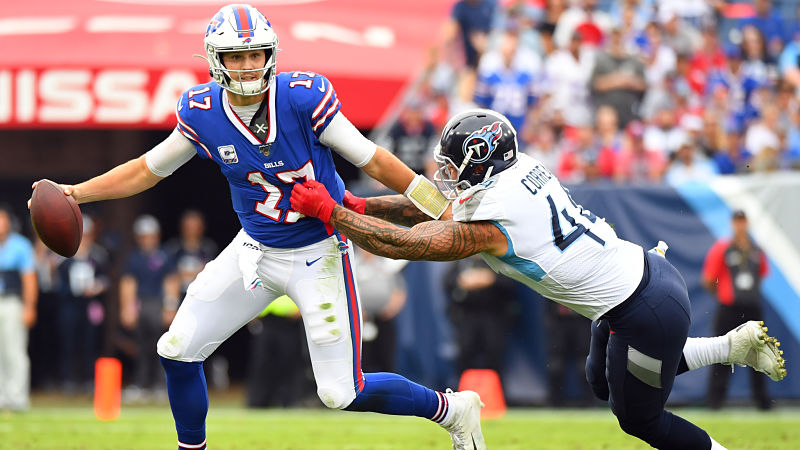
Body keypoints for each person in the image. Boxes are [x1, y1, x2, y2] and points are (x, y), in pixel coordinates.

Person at [30, 5, 483, 450]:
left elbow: (373, 159)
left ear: (270, 54)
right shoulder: (202, 110)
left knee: (341, 392)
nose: (247, 65)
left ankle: (451, 410)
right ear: (216, 60)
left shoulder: (303, 97)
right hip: (254, 250)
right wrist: (77, 193)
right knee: (177, 349)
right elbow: (148, 170)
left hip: (319, 252)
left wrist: (437, 204)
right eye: (236, 56)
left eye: (255, 54)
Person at [290, 108, 787, 450]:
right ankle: (729, 347)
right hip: (638, 282)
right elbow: (432, 209)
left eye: (453, 165)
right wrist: (358, 205)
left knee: (639, 419)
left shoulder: (495, 221)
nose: (445, 173)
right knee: (602, 382)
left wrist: (334, 214)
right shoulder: (516, 172)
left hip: (643, 309)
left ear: (482, 163)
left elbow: (412, 242)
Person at [702, 210, 772, 410]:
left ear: (747, 223)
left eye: (743, 221)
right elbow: (708, 279)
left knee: (759, 354)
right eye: (737, 222)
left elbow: (763, 274)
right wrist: (722, 295)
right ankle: (715, 402)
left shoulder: (756, 250)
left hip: (752, 308)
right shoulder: (722, 248)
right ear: (732, 223)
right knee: (722, 353)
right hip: (729, 308)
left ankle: (763, 402)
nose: (740, 226)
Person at [120, 214, 178, 401]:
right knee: (141, 346)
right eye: (144, 236)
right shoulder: (134, 258)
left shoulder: (164, 256)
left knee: (161, 345)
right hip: (141, 303)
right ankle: (141, 384)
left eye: (151, 235)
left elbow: (171, 281)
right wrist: (127, 308)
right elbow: (128, 283)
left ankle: (161, 384)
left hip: (158, 303)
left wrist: (170, 307)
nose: (148, 240)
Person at [56, 216, 110, 395]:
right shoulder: (64, 254)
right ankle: (68, 379)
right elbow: (55, 279)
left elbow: (106, 279)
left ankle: (89, 379)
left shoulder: (98, 255)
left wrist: (97, 288)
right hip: (70, 305)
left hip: (90, 306)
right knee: (68, 342)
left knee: (90, 342)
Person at [0, 204, 38, 412]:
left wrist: (29, 306)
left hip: (12, 302)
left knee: (14, 350)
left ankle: (17, 399)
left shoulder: (20, 246)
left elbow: (29, 278)